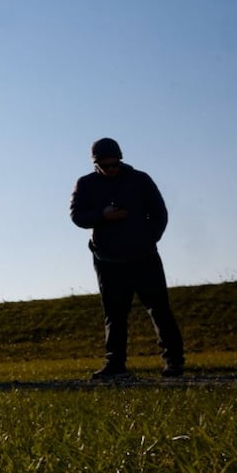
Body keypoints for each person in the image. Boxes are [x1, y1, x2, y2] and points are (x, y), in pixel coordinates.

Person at [69, 137, 184, 380]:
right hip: (107, 260)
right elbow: (77, 216)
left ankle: (174, 362)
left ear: (120, 159)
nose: (110, 169)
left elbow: (159, 212)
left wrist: (149, 239)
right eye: (105, 165)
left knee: (160, 310)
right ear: (96, 163)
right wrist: (102, 216)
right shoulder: (86, 184)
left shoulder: (140, 179)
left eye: (114, 164)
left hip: (144, 257)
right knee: (115, 314)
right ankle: (115, 365)